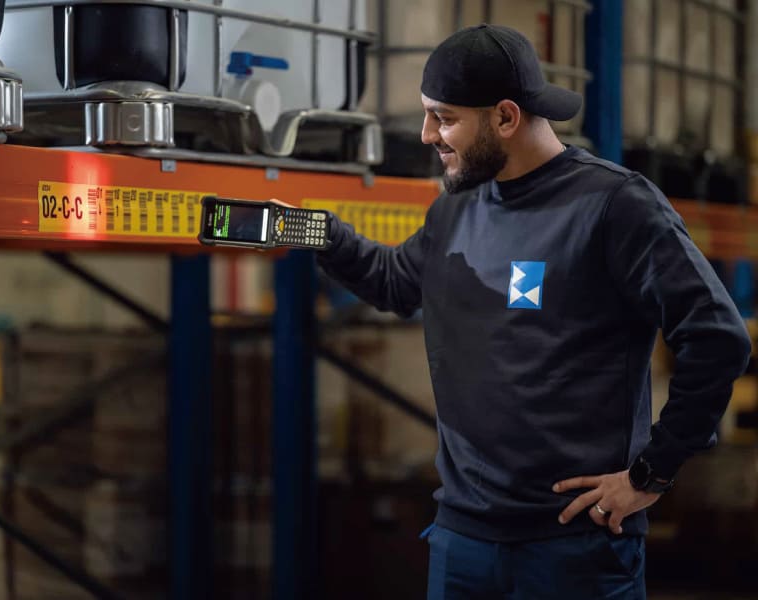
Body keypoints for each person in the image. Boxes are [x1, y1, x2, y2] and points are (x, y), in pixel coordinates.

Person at [312, 24, 751, 599]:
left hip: (574, 547)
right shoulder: (455, 209)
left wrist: (652, 473)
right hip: (462, 539)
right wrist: (319, 235)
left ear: (506, 118)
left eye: (443, 118)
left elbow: (718, 338)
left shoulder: (614, 205)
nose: (426, 135)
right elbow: (396, 284)